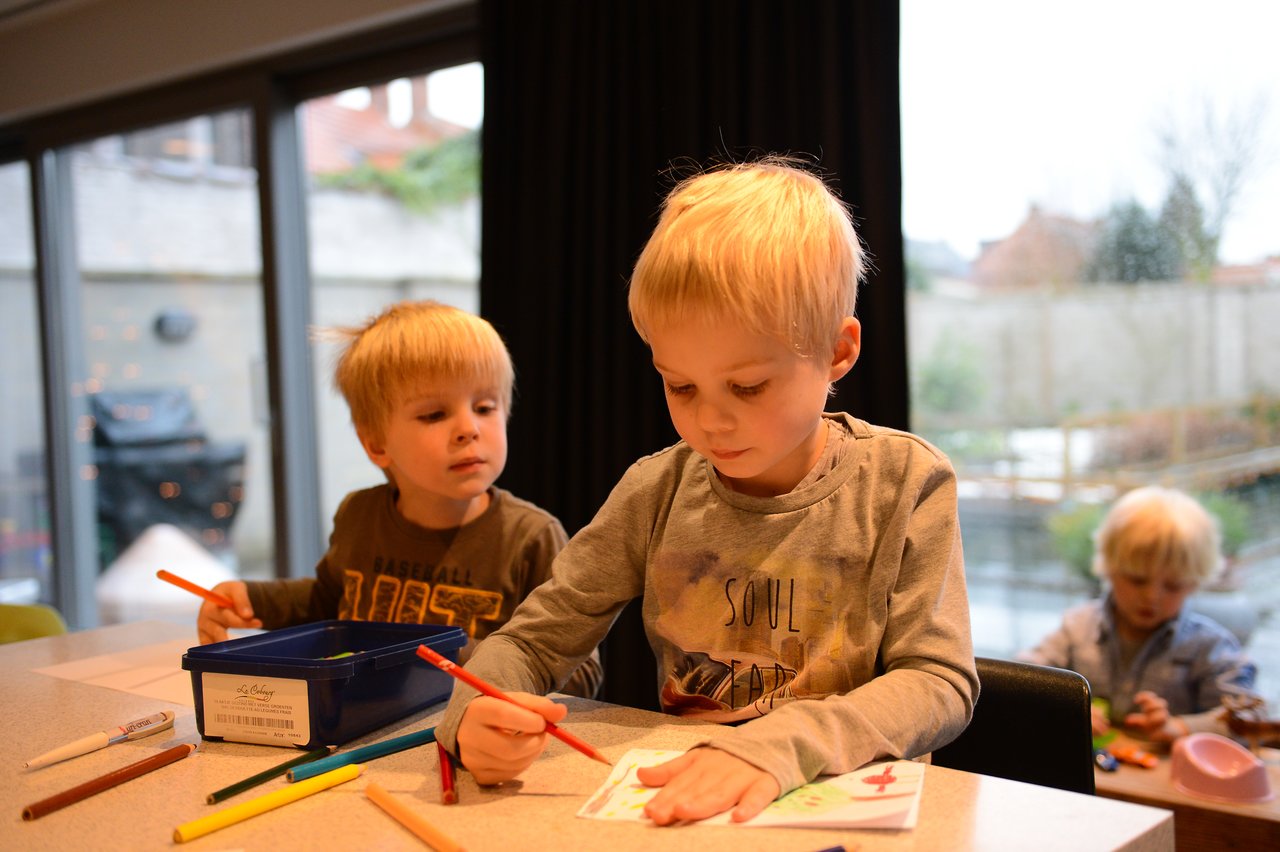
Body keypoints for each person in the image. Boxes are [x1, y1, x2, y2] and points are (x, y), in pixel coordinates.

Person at [434, 156, 978, 825]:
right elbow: (532, 643)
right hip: (696, 817)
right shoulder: (656, 489)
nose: (709, 421)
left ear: (838, 351)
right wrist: (478, 711)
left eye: (747, 386)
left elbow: (939, 683)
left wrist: (776, 748)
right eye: (680, 385)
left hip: (847, 815)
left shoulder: (905, 483)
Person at [195, 300, 603, 699]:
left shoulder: (530, 537)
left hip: (471, 737)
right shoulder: (359, 515)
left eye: (484, 407)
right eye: (434, 415)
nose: (468, 429)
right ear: (375, 444)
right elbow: (328, 605)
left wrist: (471, 657)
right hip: (365, 726)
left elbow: (582, 674)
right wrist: (253, 598)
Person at [1020, 486, 1258, 743]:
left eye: (1173, 586)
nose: (1151, 596)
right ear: (1109, 568)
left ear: (1195, 583)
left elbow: (1253, 716)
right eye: (1137, 580)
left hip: (1166, 779)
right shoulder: (1077, 626)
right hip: (1087, 775)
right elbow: (1019, 680)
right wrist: (1062, 706)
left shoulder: (1210, 647)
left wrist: (1181, 727)